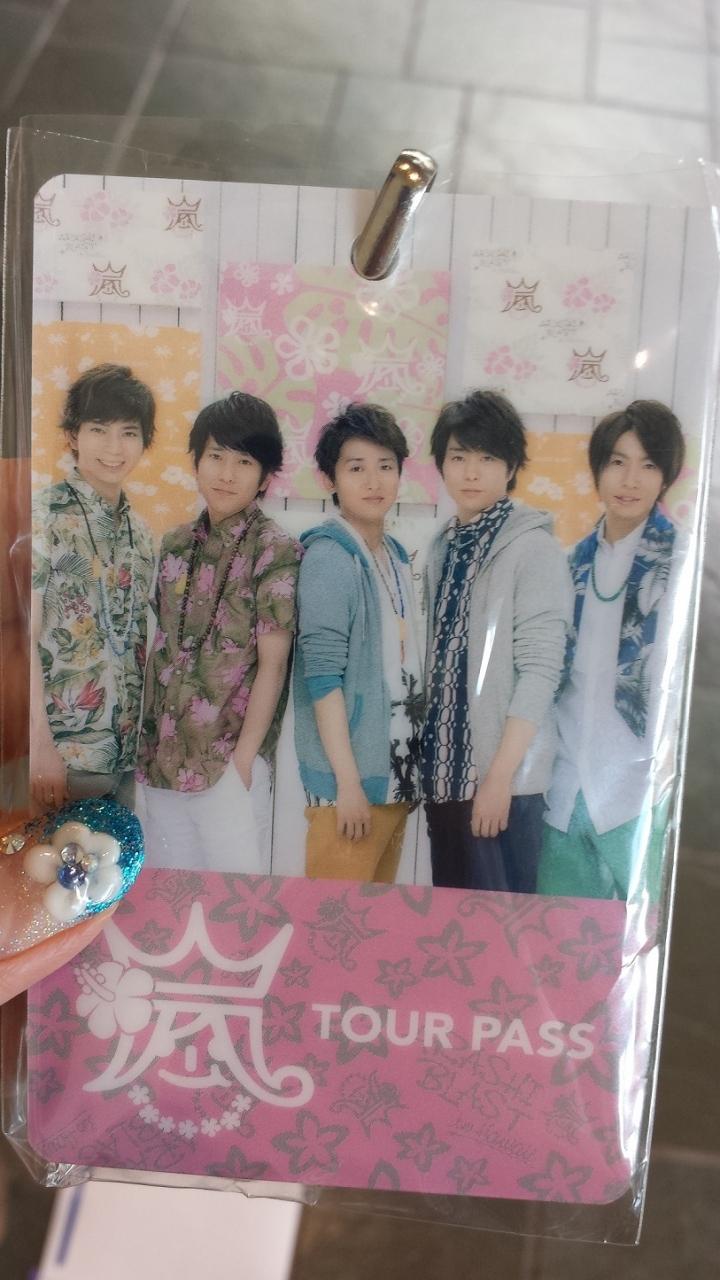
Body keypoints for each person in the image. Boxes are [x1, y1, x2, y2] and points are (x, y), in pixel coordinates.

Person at [137, 391, 301, 872]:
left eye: (244, 462)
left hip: (227, 763)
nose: (227, 474)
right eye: (216, 457)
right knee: (169, 894)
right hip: (161, 761)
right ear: (196, 462)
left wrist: (244, 761)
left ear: (265, 477)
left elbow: (274, 666)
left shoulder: (275, 550)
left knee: (234, 902)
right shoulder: (174, 543)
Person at [422, 389, 572, 894]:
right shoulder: (443, 547)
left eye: (487, 459)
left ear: (511, 467)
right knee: (451, 933)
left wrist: (500, 780)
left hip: (505, 789)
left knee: (504, 935)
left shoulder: (533, 549)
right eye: (458, 457)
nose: (471, 472)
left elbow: (541, 671)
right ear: (441, 464)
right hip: (445, 781)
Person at [538, 400, 686, 901]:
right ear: (598, 470)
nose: (630, 480)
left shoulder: (686, 563)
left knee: (653, 935)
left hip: (643, 792)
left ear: (666, 477)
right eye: (618, 462)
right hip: (566, 787)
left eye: (648, 465)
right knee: (562, 938)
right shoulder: (569, 563)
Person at [294, 403, 424, 882]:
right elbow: (322, 679)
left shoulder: (393, 554)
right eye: (356, 468)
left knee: (378, 922)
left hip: (392, 778)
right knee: (333, 921)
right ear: (330, 479)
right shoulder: (330, 557)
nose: (373, 481)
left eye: (385, 466)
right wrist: (347, 783)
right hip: (348, 790)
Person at [31, 364, 156, 811]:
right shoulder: (40, 518)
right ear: (73, 435)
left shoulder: (142, 533)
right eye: (99, 429)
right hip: (59, 756)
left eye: (129, 433)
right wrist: (39, 745)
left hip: (125, 757)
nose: (114, 448)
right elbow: (17, 640)